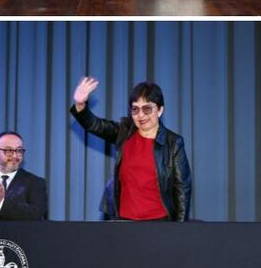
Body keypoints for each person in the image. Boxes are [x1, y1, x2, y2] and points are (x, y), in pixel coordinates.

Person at [70, 77, 191, 221]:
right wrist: (80, 104)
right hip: (124, 221)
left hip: (159, 222)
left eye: (147, 109)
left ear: (159, 110)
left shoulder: (173, 142)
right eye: (135, 109)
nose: (141, 115)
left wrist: (179, 228)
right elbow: (95, 125)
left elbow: (182, 188)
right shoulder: (124, 131)